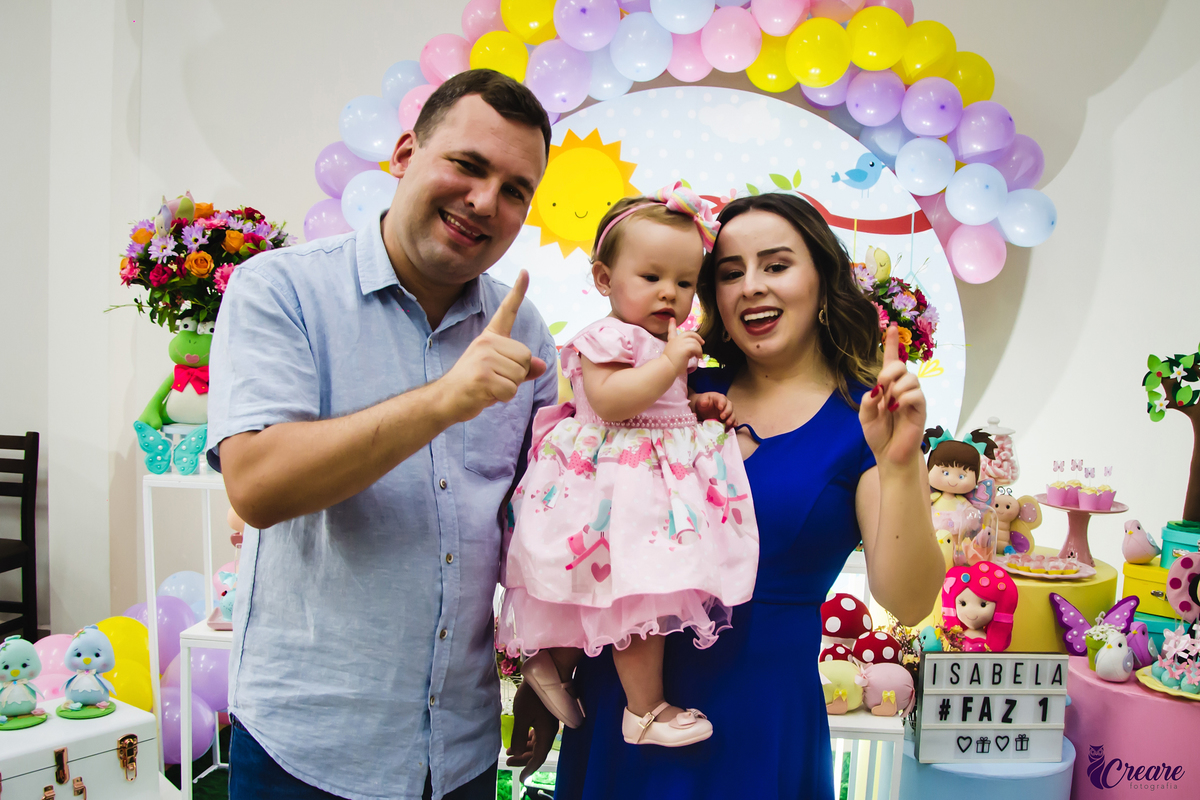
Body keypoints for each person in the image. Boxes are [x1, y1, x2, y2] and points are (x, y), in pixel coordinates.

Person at [511, 192, 945, 798]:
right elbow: (584, 519)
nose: (750, 287)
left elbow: (910, 598)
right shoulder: (670, 392)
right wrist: (549, 672)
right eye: (730, 272)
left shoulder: (862, 419)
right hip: (625, 715)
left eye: (776, 265)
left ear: (823, 278)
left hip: (760, 725)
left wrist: (898, 465)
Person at [207, 69, 559, 800]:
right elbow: (260, 485)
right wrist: (442, 401)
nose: (485, 201)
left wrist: (545, 669)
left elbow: (537, 528)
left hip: (460, 751)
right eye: (467, 164)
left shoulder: (525, 332)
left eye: (515, 189)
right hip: (307, 750)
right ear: (403, 154)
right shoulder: (280, 289)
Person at [497, 185, 759, 749]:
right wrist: (669, 364)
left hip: (644, 482)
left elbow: (661, 407)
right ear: (603, 280)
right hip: (611, 481)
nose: (670, 294)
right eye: (651, 277)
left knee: (624, 593)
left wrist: (696, 407)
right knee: (636, 592)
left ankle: (552, 661)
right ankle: (642, 710)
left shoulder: (663, 340)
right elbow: (614, 400)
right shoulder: (608, 336)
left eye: (685, 283)